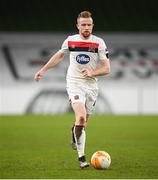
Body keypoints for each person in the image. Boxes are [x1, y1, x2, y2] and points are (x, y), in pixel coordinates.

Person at [34, 10, 110, 169]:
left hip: (91, 86)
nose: (86, 27)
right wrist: (43, 69)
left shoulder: (99, 43)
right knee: (81, 117)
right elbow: (59, 56)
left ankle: (74, 132)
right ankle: (82, 158)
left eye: (89, 24)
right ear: (78, 26)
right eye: (83, 25)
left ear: (92, 25)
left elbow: (107, 68)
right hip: (74, 83)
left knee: (83, 123)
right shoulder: (70, 41)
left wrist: (92, 72)